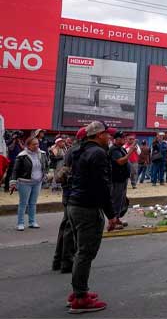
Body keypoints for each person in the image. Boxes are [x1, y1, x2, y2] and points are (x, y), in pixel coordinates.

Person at [65, 120, 118, 313]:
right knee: (86, 253)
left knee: (81, 251)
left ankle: (78, 291)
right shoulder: (97, 153)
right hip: (87, 208)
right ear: (97, 135)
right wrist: (112, 215)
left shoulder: (78, 150)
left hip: (74, 205)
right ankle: (80, 298)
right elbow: (101, 188)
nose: (109, 137)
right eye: (107, 134)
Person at [53, 127, 85, 273]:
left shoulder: (72, 149)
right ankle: (66, 261)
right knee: (70, 229)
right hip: (73, 193)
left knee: (65, 226)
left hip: (68, 192)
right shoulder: (79, 151)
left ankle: (58, 260)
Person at [9, 136, 48, 230]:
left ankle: (32, 222)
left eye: (37, 144)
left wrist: (45, 174)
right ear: (28, 145)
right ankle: (20, 223)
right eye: (34, 144)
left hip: (37, 182)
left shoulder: (42, 154)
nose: (36, 146)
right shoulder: (22, 155)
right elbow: (15, 170)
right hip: (24, 182)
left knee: (33, 203)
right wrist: (13, 182)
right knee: (23, 203)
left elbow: (46, 164)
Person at [108, 132, 129, 229]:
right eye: (122, 138)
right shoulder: (114, 150)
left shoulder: (121, 149)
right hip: (116, 179)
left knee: (121, 199)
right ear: (115, 139)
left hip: (123, 178)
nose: (124, 139)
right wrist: (131, 151)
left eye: (124, 137)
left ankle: (117, 218)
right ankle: (112, 221)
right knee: (116, 199)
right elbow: (120, 161)